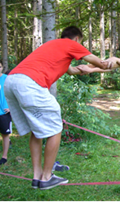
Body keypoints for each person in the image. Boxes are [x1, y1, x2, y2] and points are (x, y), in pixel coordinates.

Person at [4, 26, 112, 190]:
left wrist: (89, 69)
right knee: (55, 128)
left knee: (36, 128)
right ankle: (47, 177)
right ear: (77, 39)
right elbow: (102, 63)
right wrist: (116, 62)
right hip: (30, 83)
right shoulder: (71, 44)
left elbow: (73, 70)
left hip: (12, 80)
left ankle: (37, 176)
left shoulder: (53, 46)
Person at [0, 60, 12, 165]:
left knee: (5, 135)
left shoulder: (7, 79)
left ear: (2, 67)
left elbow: (13, 93)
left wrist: (10, 107)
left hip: (4, 113)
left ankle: (4, 156)